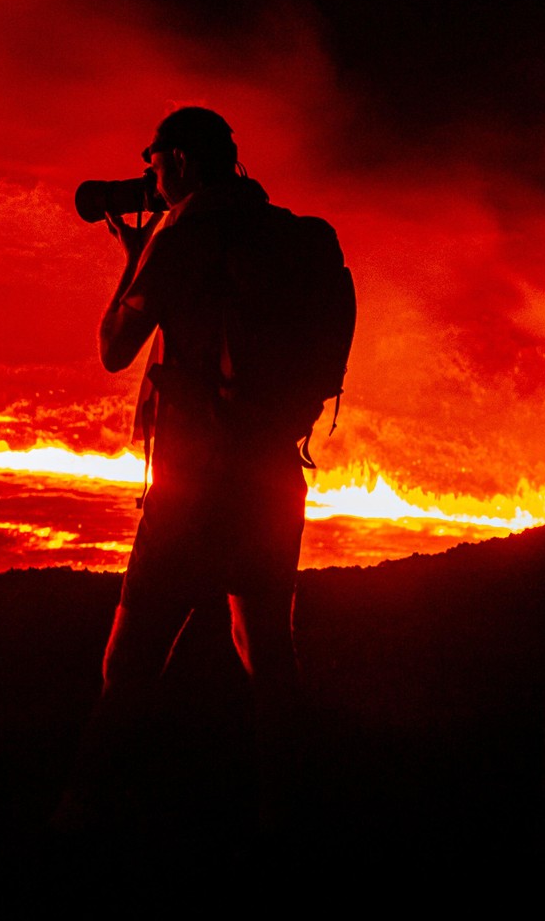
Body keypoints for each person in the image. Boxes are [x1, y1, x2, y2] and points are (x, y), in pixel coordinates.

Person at [59, 106, 350, 835]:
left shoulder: (187, 230)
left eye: (154, 161)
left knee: (128, 666)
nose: (149, 177)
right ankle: (292, 820)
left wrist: (136, 252)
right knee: (269, 658)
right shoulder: (291, 236)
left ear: (182, 162)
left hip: (195, 487)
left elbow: (116, 347)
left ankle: (81, 825)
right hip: (274, 474)